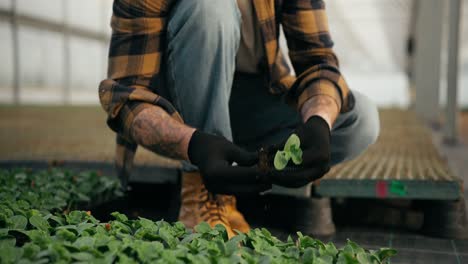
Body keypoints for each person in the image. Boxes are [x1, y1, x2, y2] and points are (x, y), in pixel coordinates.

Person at [99, 0, 380, 238]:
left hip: (251, 96)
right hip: (178, 105)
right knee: (210, 8)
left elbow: (317, 59)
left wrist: (318, 120)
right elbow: (125, 97)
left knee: (359, 121)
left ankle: (248, 173)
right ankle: (203, 189)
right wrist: (192, 143)